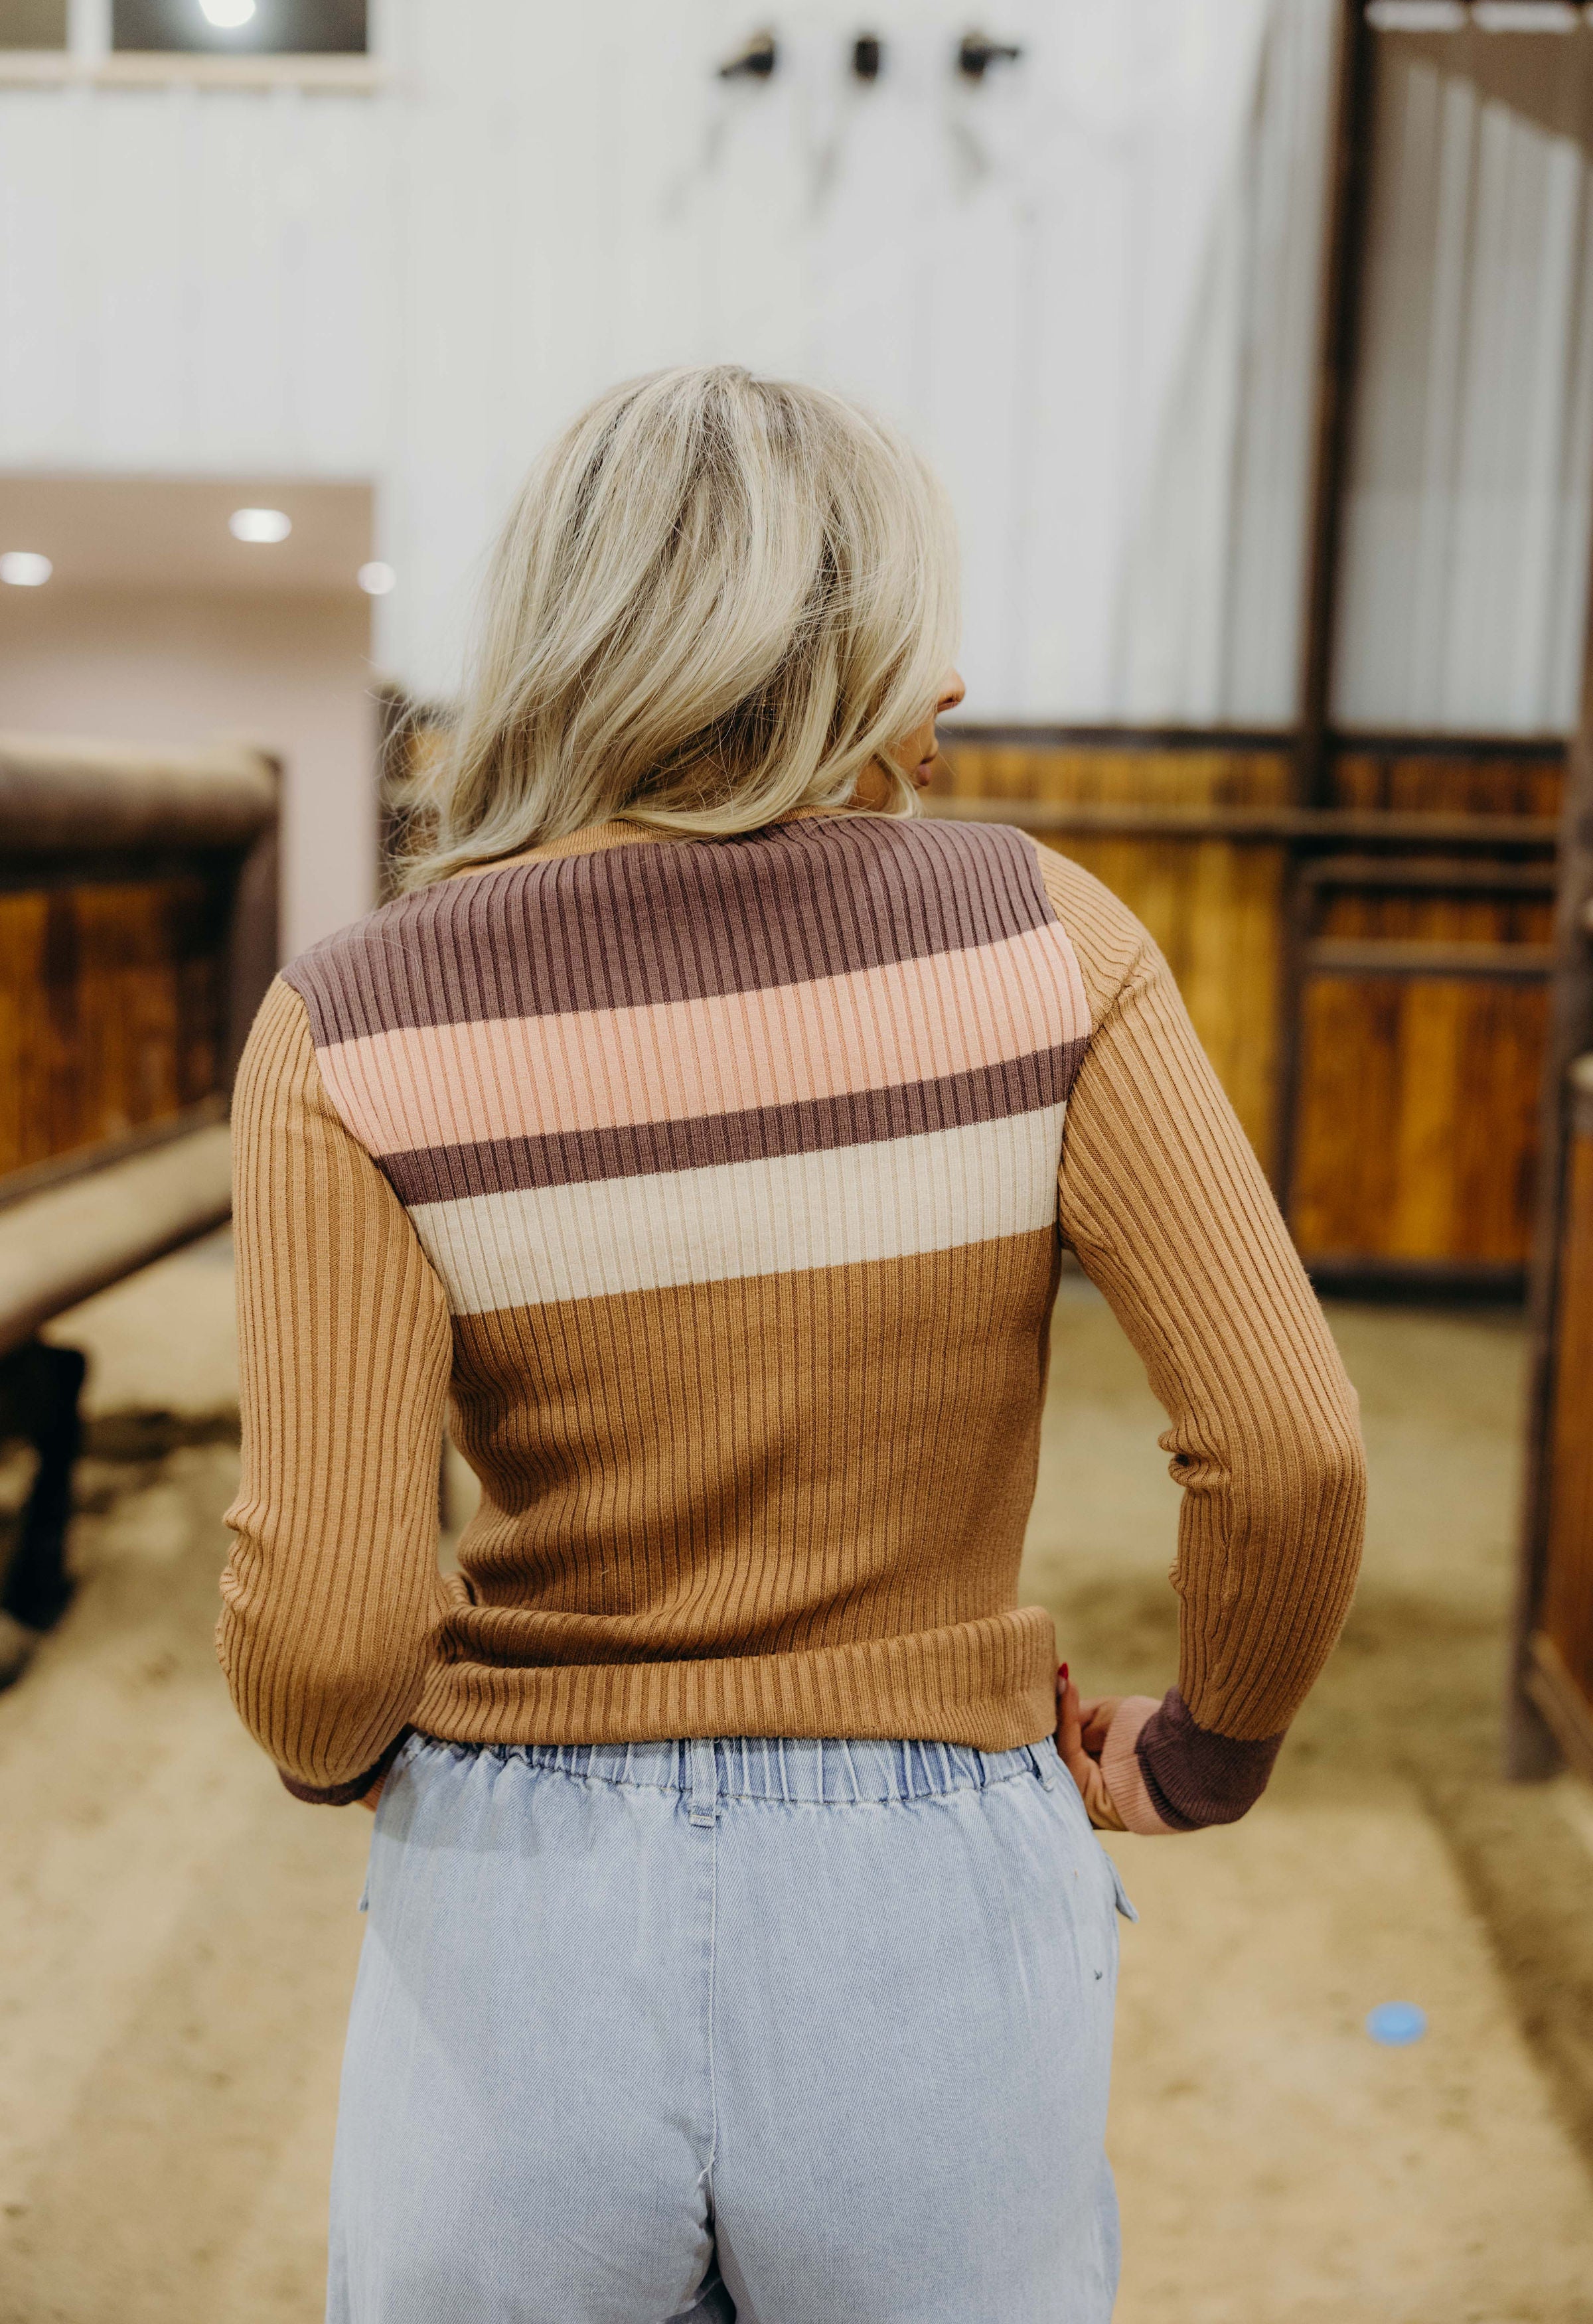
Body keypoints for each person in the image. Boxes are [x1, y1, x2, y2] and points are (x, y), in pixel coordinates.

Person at [218, 364, 1365, 2323]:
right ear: (832, 647)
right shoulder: (1045, 940)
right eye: (924, 626)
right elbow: (1292, 1448)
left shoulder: (351, 1021)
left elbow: (329, 1629)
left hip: (520, 1912)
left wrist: (351, 1760)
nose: (961, 680)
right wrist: (1211, 1751)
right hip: (932, 1893)